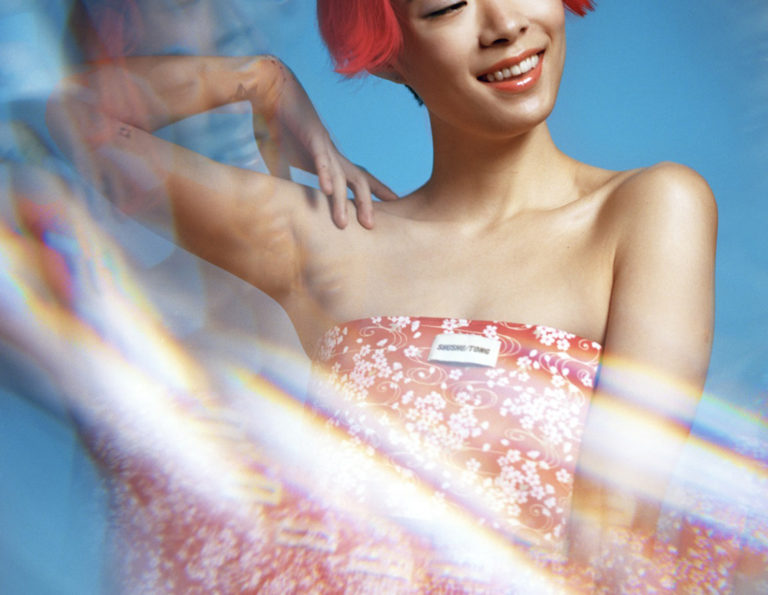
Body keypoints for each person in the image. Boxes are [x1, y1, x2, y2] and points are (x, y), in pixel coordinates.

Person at [43, 0, 756, 592]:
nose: (504, 24)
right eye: (447, 7)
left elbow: (612, 536)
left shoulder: (649, 209)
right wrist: (261, 80)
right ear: (388, 54)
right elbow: (79, 124)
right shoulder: (326, 239)